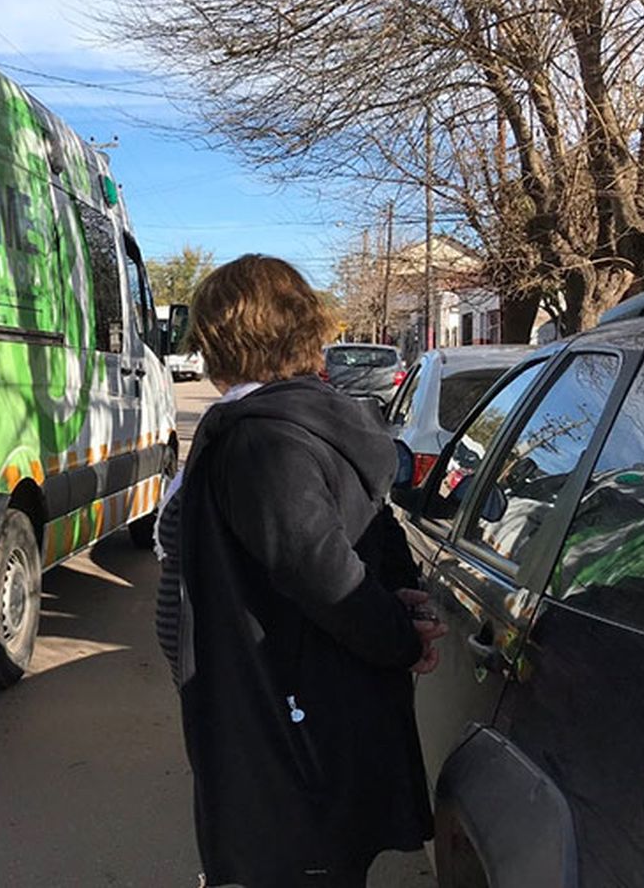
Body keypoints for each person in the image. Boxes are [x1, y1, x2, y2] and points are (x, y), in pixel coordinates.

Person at [154, 255, 447, 887]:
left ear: (224, 336)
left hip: (289, 722)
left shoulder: (263, 441)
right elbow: (374, 524)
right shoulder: (301, 419)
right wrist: (408, 605)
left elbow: (325, 573)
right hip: (308, 710)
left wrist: (400, 636)